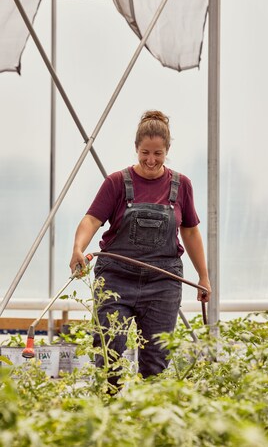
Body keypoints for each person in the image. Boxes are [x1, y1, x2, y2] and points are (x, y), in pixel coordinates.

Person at [69, 110, 211, 383]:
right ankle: (108, 415)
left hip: (162, 283)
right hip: (115, 281)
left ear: (167, 150)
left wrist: (203, 276)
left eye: (158, 153)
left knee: (156, 363)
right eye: (145, 152)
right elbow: (91, 219)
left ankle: (147, 419)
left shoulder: (181, 186)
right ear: (136, 148)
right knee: (109, 356)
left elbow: (191, 231)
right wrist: (78, 247)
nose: (150, 159)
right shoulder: (116, 183)